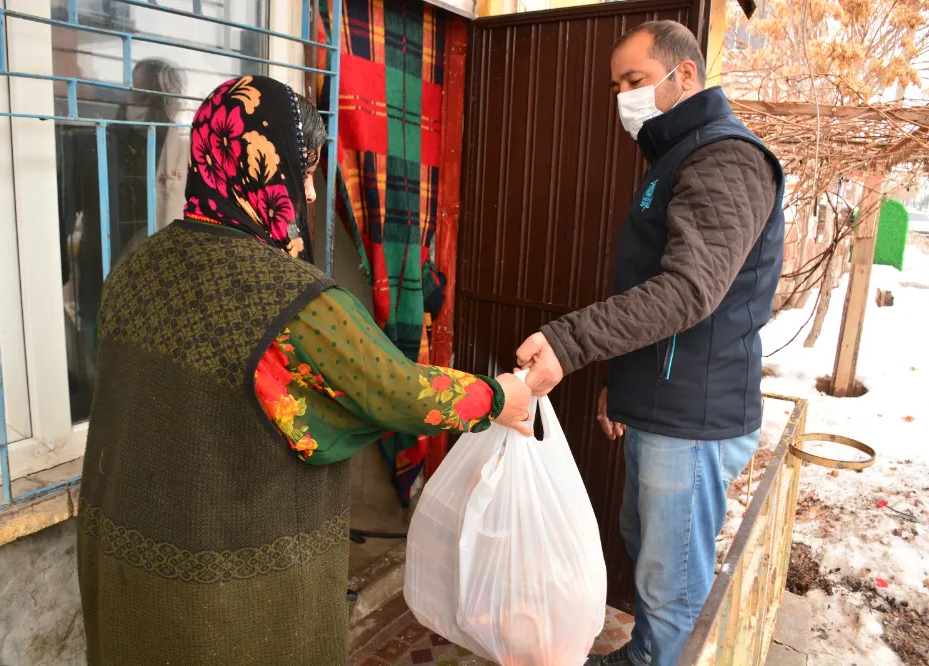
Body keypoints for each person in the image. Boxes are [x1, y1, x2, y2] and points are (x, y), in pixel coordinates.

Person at [76, 75, 533, 666]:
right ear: (263, 168)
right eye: (307, 169)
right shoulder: (295, 301)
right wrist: (501, 397)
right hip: (227, 594)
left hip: (124, 561)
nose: (312, 195)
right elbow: (398, 394)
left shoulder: (138, 264)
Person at [515, 21, 784, 666]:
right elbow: (654, 295)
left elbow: (688, 292)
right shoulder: (679, 155)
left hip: (692, 418)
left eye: (636, 81)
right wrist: (622, 387)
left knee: (672, 587)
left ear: (684, 75)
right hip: (660, 405)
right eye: (617, 86)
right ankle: (647, 654)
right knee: (649, 552)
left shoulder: (726, 159)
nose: (624, 98)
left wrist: (570, 341)